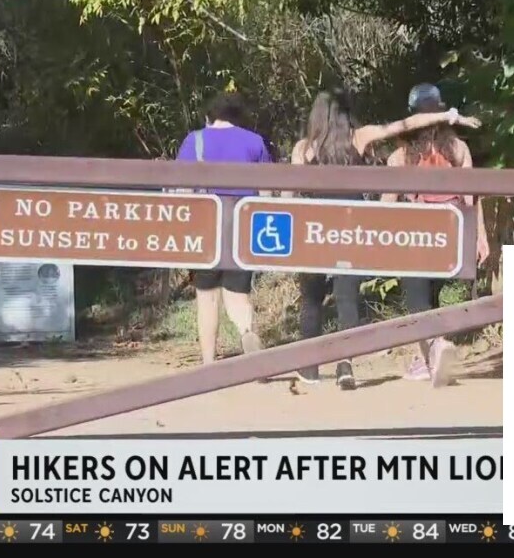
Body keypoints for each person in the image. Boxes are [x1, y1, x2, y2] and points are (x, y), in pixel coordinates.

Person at [287, 89, 481, 390]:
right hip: (351, 229)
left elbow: (288, 196)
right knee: (346, 298)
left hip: (314, 231)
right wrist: (448, 115)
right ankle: (345, 365)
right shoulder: (359, 138)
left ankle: (308, 369)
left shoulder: (303, 149)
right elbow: (404, 125)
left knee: (311, 297)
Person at [381, 83, 489, 388]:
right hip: (452, 233)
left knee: (418, 296)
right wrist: (479, 236)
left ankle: (434, 347)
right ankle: (430, 354)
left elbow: (386, 204)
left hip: (417, 235)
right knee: (437, 296)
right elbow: (471, 197)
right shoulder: (458, 149)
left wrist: (379, 238)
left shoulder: (401, 157)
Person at [175, 91, 270, 365]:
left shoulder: (195, 140)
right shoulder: (254, 142)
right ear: (238, 117)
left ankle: (208, 364)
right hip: (243, 224)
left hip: (206, 225)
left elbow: (182, 190)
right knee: (238, 294)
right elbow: (266, 191)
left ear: (209, 116)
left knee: (207, 298)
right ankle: (247, 331)